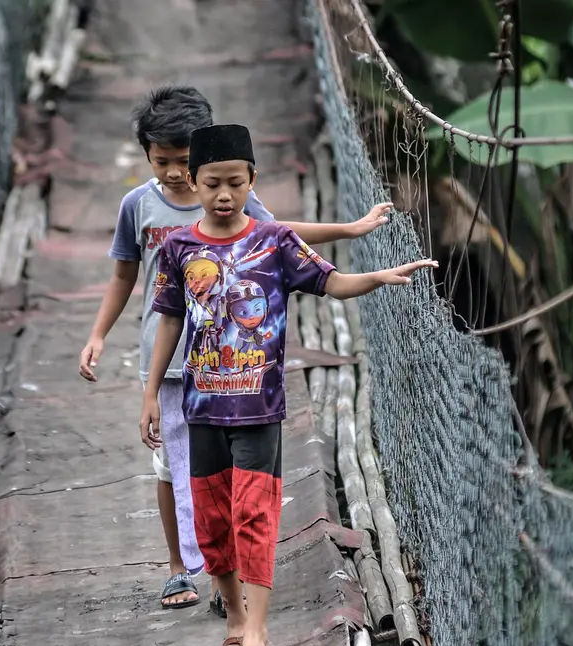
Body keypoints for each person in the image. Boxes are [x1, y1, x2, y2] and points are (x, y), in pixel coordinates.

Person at [77, 86, 393, 615]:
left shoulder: (226, 189)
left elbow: (279, 234)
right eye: (163, 162)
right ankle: (182, 567)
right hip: (170, 357)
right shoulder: (139, 206)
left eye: (184, 161)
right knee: (171, 467)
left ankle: (226, 574)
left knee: (223, 472)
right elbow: (123, 275)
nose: (176, 173)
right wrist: (97, 334)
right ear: (147, 157)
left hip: (229, 363)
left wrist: (349, 230)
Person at [140, 123, 436, 646]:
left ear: (252, 180)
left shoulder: (273, 241)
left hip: (258, 408)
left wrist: (377, 276)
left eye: (234, 182)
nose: (223, 195)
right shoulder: (179, 247)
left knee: (252, 515)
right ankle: (232, 615)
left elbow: (330, 282)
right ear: (196, 187)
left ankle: (256, 629)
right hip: (201, 407)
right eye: (211, 184)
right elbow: (170, 323)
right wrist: (151, 393)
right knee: (210, 524)